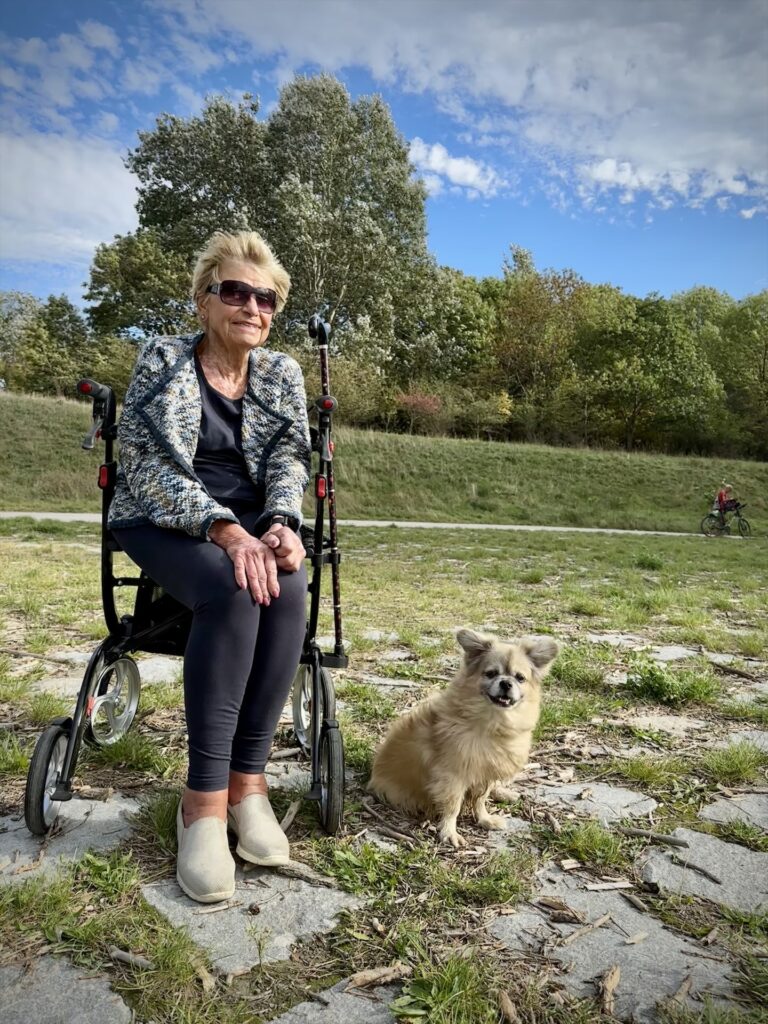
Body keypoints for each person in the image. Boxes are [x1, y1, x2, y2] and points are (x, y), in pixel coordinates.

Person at [109, 230, 311, 904]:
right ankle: (202, 802)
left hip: (253, 516)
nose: (252, 306)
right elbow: (144, 463)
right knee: (232, 587)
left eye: (266, 297)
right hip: (160, 516)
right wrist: (224, 530)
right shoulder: (163, 359)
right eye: (234, 291)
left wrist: (281, 523)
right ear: (202, 300)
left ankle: (248, 783)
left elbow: (288, 459)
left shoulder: (282, 373)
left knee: (287, 587)